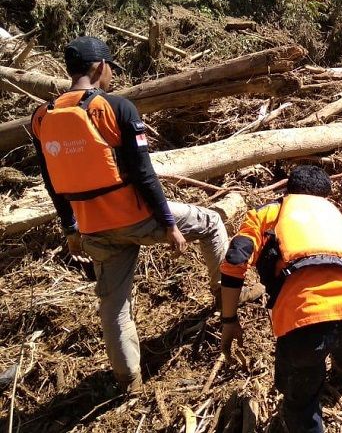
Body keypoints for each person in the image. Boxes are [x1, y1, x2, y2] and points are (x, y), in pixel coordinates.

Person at [31, 36, 260, 393]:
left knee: (114, 305)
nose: (111, 77)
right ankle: (223, 295)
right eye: (110, 70)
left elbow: (51, 182)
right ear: (100, 67)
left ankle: (129, 380)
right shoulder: (115, 107)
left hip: (93, 228)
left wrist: (71, 228)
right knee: (212, 222)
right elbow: (143, 173)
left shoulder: (42, 117)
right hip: (138, 216)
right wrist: (168, 225)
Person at [219, 165, 342, 433]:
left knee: (300, 403)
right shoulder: (335, 215)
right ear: (324, 195)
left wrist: (229, 319)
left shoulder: (268, 214)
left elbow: (235, 259)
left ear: (288, 190)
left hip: (304, 322)